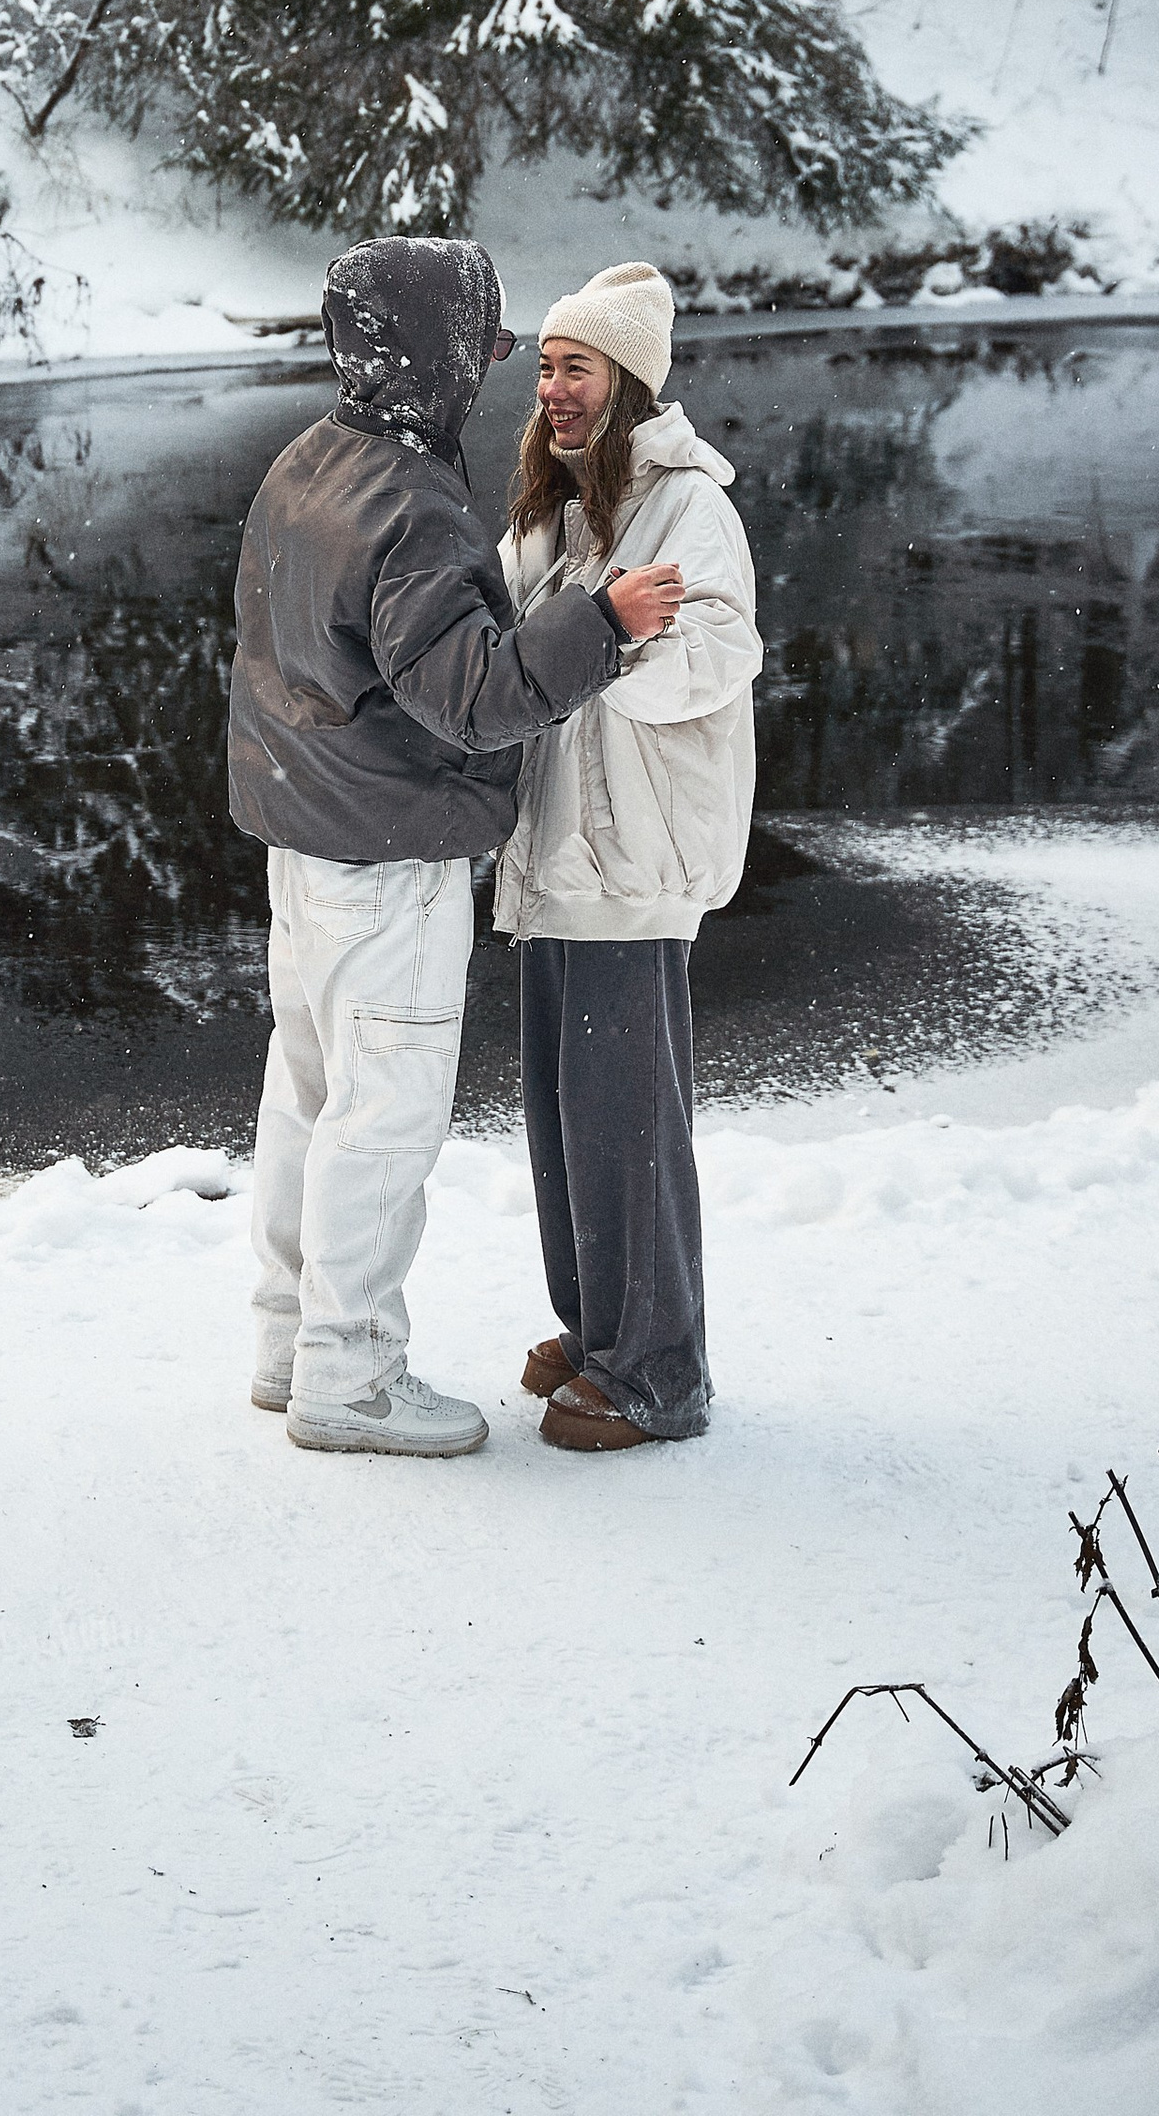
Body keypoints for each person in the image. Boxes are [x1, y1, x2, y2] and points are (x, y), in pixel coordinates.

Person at [228, 237, 688, 1459]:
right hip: (389, 858)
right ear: (436, 361)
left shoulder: (306, 462)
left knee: (308, 1099)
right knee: (380, 1119)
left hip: (306, 840)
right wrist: (600, 622)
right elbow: (468, 699)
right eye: (483, 351)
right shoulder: (413, 505)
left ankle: (288, 1344)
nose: (498, 378)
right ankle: (351, 1377)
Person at [492, 261, 762, 1456]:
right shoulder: (556, 510)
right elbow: (522, 661)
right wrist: (582, 629)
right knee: (561, 1117)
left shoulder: (687, 503)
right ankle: (600, 1325)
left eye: (577, 368)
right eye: (547, 366)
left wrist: (614, 645)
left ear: (631, 381)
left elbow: (717, 654)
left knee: (625, 1121)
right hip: (551, 858)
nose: (553, 389)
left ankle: (658, 1371)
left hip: (630, 854)